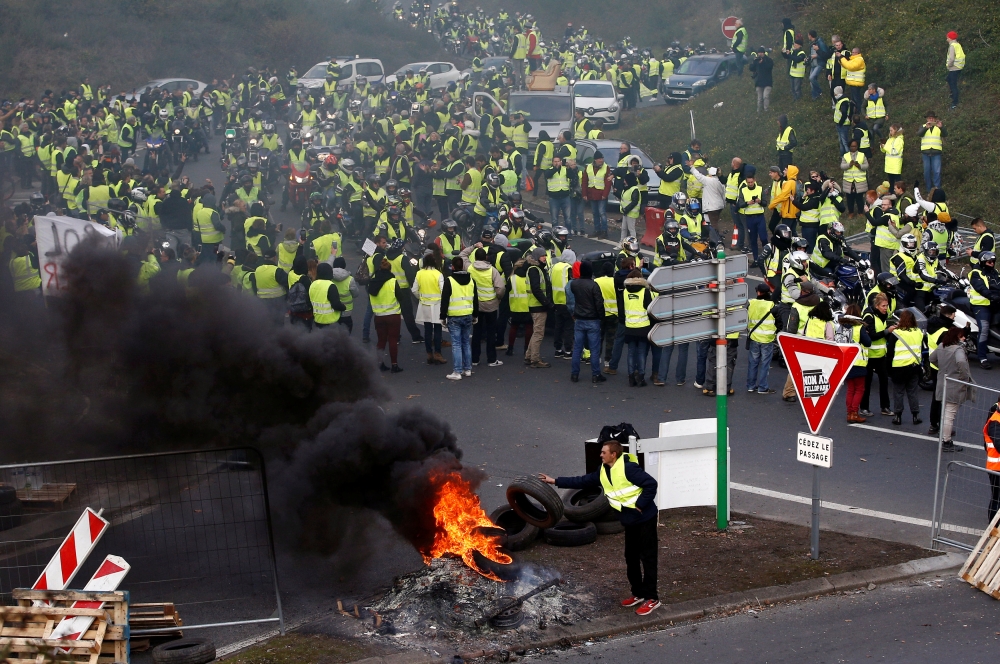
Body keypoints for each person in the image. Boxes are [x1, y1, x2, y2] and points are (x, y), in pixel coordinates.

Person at [538, 440, 659, 616]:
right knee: (631, 557)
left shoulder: (629, 469)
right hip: (629, 520)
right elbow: (583, 480)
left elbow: (651, 484)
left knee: (647, 557)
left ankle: (652, 598)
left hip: (644, 518)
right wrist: (555, 481)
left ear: (613, 454)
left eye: (603, 452)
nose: (600, 454)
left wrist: (640, 504)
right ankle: (638, 593)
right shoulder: (603, 471)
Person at [464, 245, 506, 367]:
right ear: (486, 257)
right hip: (491, 305)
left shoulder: (470, 267)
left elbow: (462, 255)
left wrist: (472, 246)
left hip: (476, 305)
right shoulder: (492, 270)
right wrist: (498, 299)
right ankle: (491, 359)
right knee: (491, 332)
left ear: (475, 257)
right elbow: (500, 288)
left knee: (476, 332)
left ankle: (474, 359)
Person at [569, 260, 607, 384]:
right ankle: (596, 374)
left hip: (579, 319)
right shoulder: (593, 285)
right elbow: (599, 303)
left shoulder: (574, 284)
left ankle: (574, 374)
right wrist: (601, 317)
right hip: (592, 320)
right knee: (594, 349)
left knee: (577, 348)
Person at [441, 256, 479, 380]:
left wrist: (443, 316)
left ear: (452, 266)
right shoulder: (471, 280)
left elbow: (445, 300)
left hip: (454, 316)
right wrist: (475, 314)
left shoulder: (450, 280)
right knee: (466, 342)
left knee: (456, 344)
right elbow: (475, 299)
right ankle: (467, 369)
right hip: (468, 314)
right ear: (463, 266)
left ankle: (457, 371)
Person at [368, 256, 405, 373]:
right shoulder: (392, 282)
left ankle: (380, 364)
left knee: (381, 340)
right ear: (390, 270)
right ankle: (394, 365)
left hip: (378, 316)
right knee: (393, 339)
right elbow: (401, 297)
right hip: (393, 315)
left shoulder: (372, 283)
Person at [836, 304, 872, 422]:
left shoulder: (840, 327)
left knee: (851, 389)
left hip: (845, 362)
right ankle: (854, 413)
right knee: (859, 389)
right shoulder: (858, 327)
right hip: (858, 362)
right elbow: (867, 343)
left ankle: (849, 413)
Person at [619, 268, 653, 387]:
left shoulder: (624, 292)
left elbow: (621, 311)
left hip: (629, 327)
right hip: (643, 327)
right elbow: (650, 310)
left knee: (631, 353)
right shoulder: (645, 292)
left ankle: (631, 377)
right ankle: (641, 377)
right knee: (641, 353)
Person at [890, 309, 925, 425]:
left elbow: (890, 353)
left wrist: (888, 369)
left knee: (898, 392)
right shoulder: (918, 332)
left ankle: (898, 416)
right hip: (914, 367)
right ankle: (915, 416)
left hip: (899, 368)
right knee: (912, 392)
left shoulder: (896, 334)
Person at [967, 251, 1000, 370]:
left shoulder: (994, 272)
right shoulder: (975, 273)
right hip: (981, 305)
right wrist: (992, 296)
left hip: (995, 303)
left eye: (993, 262)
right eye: (989, 262)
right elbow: (980, 288)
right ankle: (982, 357)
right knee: (984, 328)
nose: (991, 264)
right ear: (982, 262)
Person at [412, 253, 447, 365]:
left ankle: (429, 354)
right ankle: (438, 353)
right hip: (437, 305)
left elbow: (414, 290)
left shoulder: (419, 273)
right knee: (437, 330)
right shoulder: (438, 274)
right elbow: (443, 290)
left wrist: (421, 297)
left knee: (427, 331)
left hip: (425, 305)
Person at [746, 283, 779, 394]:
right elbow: (778, 322)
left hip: (754, 337)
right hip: (767, 339)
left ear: (758, 292)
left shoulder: (751, 303)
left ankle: (751, 386)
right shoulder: (772, 305)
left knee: (753, 363)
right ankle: (762, 387)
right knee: (765, 364)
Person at [736, 166, 767, 265]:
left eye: (751, 182)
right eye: (748, 182)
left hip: (760, 217)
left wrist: (759, 201)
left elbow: (765, 203)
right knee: (753, 240)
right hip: (749, 218)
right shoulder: (743, 190)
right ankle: (756, 259)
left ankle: (766, 257)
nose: (750, 184)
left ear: (754, 180)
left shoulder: (760, 189)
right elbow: (740, 204)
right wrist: (747, 203)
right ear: (746, 182)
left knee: (763, 238)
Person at [582, 150, 612, 239]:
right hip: (592, 194)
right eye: (599, 159)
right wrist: (584, 194)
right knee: (595, 213)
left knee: (602, 213)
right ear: (595, 160)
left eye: (602, 158)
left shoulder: (606, 168)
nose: (601, 160)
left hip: (601, 194)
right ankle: (597, 230)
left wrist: (605, 194)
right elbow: (584, 181)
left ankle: (604, 231)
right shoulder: (588, 168)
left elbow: (608, 183)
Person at [308, 263, 347, 329]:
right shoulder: (331, 285)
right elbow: (336, 304)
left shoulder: (312, 284)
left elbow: (309, 302)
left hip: (317, 320)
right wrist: (343, 307)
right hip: (331, 321)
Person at [841, 140, 869, 218]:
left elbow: (866, 165)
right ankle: (851, 212)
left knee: (859, 198)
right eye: (852, 146)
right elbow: (842, 166)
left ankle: (860, 212)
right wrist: (849, 165)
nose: (854, 148)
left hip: (859, 181)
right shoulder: (845, 155)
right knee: (850, 198)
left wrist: (859, 166)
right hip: (849, 181)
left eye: (855, 146)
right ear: (849, 147)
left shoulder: (862, 155)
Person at [918, 112, 946, 191]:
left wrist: (941, 127)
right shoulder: (923, 126)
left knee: (936, 172)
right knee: (927, 172)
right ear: (926, 119)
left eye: (932, 118)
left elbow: (945, 134)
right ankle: (929, 190)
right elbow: (919, 134)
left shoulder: (938, 127)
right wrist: (925, 128)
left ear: (935, 119)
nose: (931, 119)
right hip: (925, 153)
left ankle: (937, 190)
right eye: (929, 118)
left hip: (936, 152)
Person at [331, 256, 359, 334]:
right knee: (346, 331)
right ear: (344, 265)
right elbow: (356, 294)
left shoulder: (330, 277)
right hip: (347, 311)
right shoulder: (350, 279)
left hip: (333, 310)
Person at [985, 396, 1000, 521]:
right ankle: (993, 528)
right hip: (996, 468)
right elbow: (998, 444)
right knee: (997, 498)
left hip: (996, 466)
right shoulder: (995, 421)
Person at [749, 47, 773, 112]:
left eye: (761, 52)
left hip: (767, 82)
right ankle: (759, 112)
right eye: (759, 53)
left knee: (765, 96)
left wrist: (763, 63)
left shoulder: (768, 60)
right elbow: (751, 68)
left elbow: (769, 67)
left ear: (764, 53)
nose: (760, 54)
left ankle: (766, 110)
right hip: (759, 82)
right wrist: (754, 62)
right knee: (759, 98)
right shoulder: (756, 60)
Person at [946, 31, 965, 109]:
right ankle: (952, 94)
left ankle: (954, 103)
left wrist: (949, 65)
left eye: (947, 38)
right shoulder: (957, 44)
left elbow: (951, 58)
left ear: (950, 38)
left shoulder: (952, 46)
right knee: (948, 79)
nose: (946, 39)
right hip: (959, 67)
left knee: (953, 85)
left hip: (954, 67)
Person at [833, 86, 855, 156]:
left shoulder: (843, 102)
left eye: (835, 93)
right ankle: (842, 155)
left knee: (844, 142)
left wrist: (840, 123)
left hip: (843, 124)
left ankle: (849, 157)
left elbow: (844, 113)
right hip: (840, 124)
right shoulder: (841, 100)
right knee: (841, 141)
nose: (834, 94)